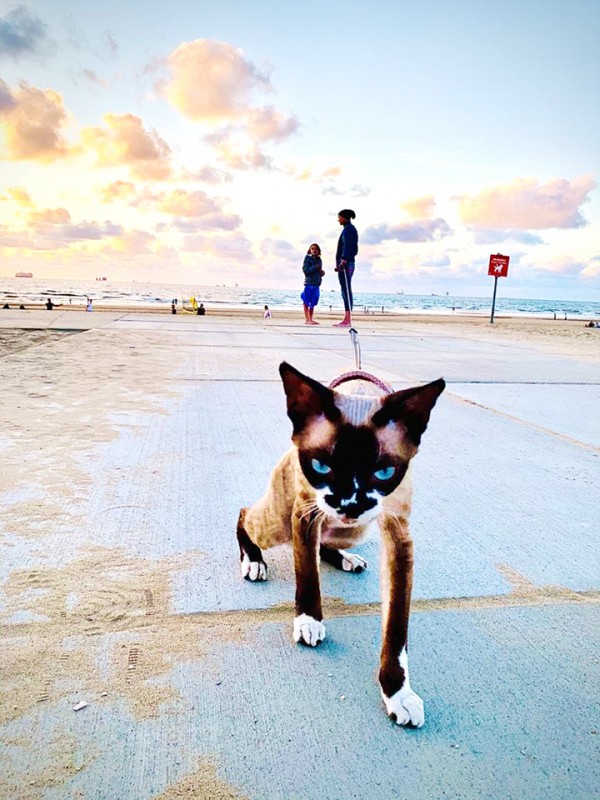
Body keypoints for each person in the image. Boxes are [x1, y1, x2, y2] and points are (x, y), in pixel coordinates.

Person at [333, 209, 358, 327]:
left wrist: (343, 259)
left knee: (346, 290)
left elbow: (349, 246)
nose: (338, 219)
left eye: (340, 217)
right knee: (344, 289)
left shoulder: (349, 230)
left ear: (345, 218)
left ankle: (348, 319)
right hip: (346, 263)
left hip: (346, 263)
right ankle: (347, 318)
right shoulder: (347, 229)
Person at [301, 243, 324, 325]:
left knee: (313, 302)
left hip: (316, 283)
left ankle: (311, 318)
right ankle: (307, 319)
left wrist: (321, 273)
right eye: (312, 248)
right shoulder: (307, 259)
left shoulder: (319, 260)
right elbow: (305, 270)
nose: (314, 250)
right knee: (306, 301)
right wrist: (315, 267)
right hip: (309, 283)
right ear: (310, 250)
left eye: (316, 249)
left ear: (318, 251)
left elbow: (318, 270)